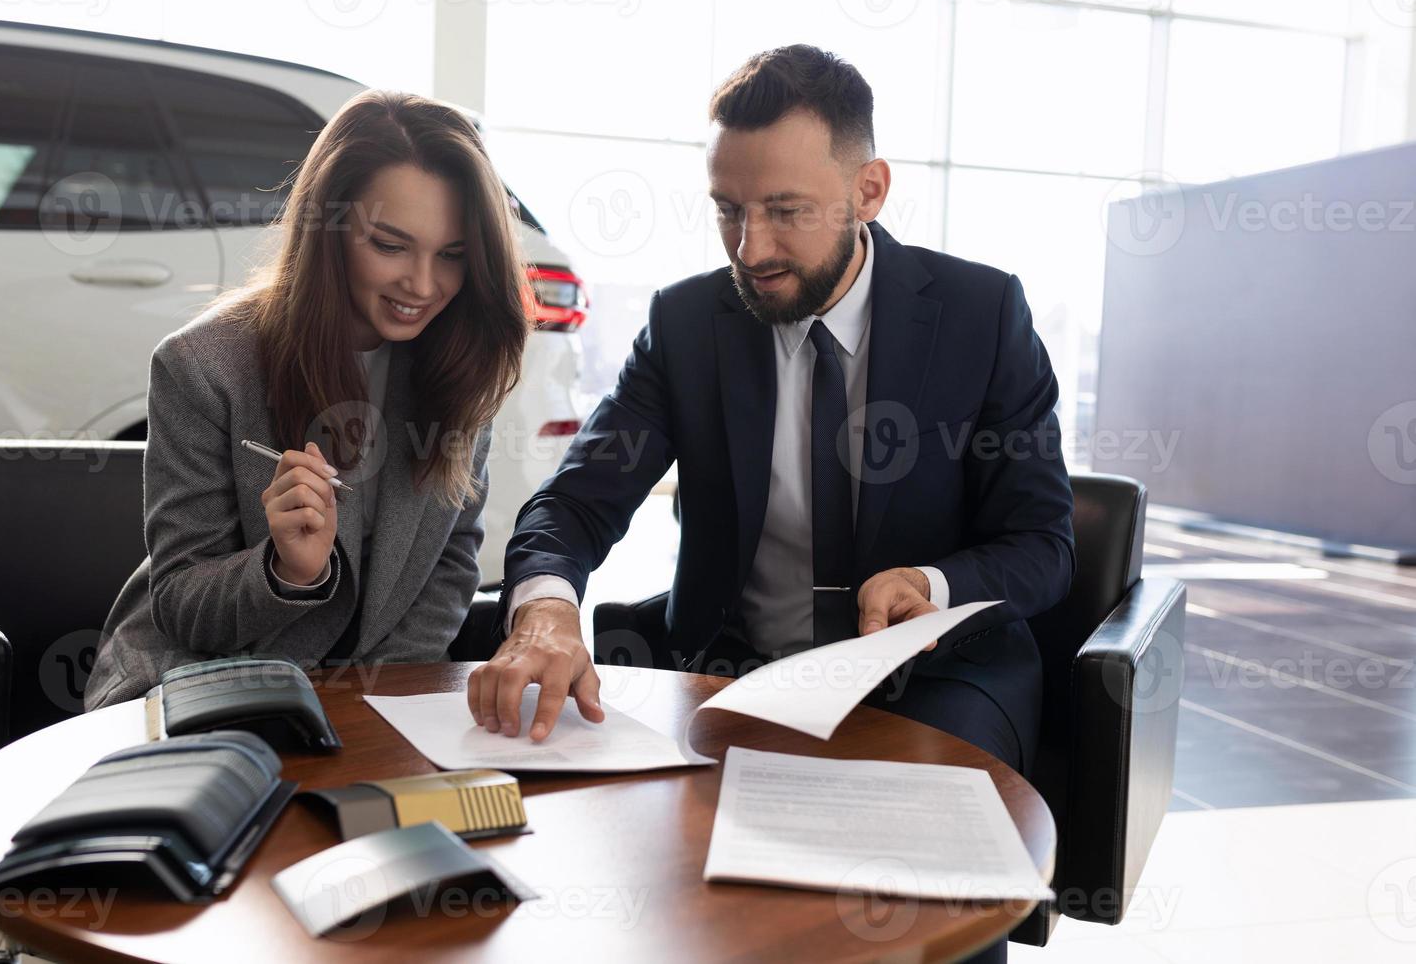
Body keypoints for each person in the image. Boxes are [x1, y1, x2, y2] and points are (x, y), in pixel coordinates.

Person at [472, 44, 1074, 771]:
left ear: (870, 191)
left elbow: (1043, 544)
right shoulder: (688, 325)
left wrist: (931, 585)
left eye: (786, 211)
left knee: (912, 837)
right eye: (729, 211)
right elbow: (572, 505)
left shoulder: (982, 316)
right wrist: (543, 610)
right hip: (733, 674)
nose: (750, 249)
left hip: (940, 680)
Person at [85, 90, 528, 708]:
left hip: (368, 702)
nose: (424, 285)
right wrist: (285, 572)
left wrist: (384, 700)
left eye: (452, 255)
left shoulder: (458, 360)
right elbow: (181, 602)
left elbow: (450, 563)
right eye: (390, 245)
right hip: (194, 687)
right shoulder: (202, 367)